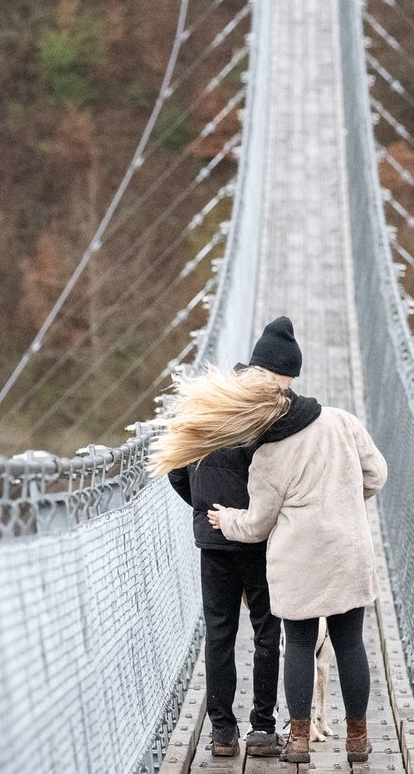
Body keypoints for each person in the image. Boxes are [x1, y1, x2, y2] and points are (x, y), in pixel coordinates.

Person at [151, 316, 387, 765]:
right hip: (317, 547)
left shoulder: (235, 420)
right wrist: (338, 499)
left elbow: (193, 477)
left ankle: (258, 737)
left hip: (253, 545)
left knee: (243, 637)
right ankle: (320, 735)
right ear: (287, 378)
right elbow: (374, 475)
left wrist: (211, 513)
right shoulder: (316, 420)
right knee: (326, 641)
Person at [158, 317, 318, 759]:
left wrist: (206, 509)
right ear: (277, 373)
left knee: (219, 634)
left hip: (213, 539)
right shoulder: (272, 410)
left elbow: (176, 468)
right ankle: (262, 728)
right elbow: (301, 427)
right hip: (258, 538)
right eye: (287, 381)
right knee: (268, 631)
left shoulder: (211, 399)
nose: (288, 390)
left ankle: (223, 733)